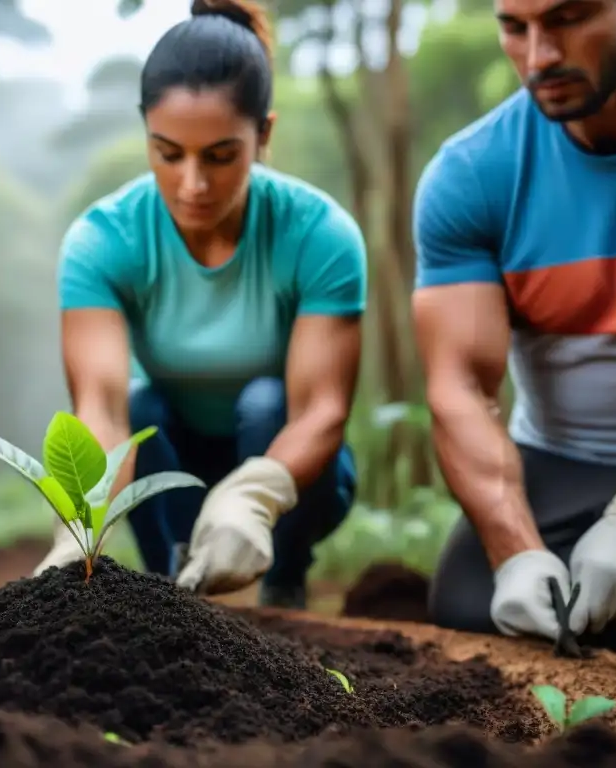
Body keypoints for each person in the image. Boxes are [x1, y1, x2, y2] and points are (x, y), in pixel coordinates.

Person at [32, 0, 366, 608]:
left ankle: (284, 576)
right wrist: (78, 528)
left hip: (285, 460)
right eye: (168, 153)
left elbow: (322, 410)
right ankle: (171, 592)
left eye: (220, 156)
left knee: (266, 401)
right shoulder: (104, 240)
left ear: (263, 134)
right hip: (174, 459)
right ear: (146, 133)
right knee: (139, 405)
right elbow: (101, 412)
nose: (193, 184)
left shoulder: (320, 234)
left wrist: (256, 495)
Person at [413, 0, 616, 658]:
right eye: (515, 27)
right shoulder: (473, 174)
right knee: (468, 603)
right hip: (564, 459)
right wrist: (516, 551)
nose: (539, 57)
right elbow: (459, 388)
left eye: (569, 18)